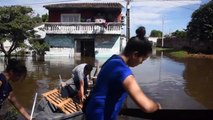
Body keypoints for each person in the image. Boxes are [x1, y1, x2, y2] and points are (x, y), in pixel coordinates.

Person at [85, 36, 161, 120]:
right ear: (135, 55)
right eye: (143, 59)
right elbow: (147, 106)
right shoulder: (123, 72)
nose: (142, 62)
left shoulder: (112, 59)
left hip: (91, 111)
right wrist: (156, 106)